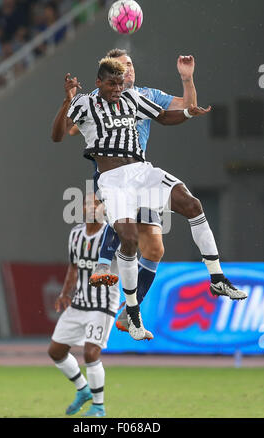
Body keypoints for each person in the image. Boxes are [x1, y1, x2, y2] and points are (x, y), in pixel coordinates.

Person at [52, 56, 211, 341]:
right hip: (111, 173)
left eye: (130, 66)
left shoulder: (147, 95)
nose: (127, 71)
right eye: (121, 67)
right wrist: (72, 103)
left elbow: (184, 107)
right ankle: (103, 264)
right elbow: (70, 129)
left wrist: (187, 78)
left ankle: (128, 310)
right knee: (120, 223)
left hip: (141, 174)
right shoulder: (95, 100)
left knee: (155, 249)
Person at [48, 193, 120, 418]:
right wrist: (64, 293)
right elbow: (74, 266)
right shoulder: (76, 234)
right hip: (79, 302)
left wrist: (131, 298)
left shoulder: (113, 236)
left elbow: (130, 266)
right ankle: (83, 389)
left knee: (91, 353)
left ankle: (99, 407)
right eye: (88, 203)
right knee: (56, 351)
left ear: (104, 209)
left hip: (103, 303)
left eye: (97, 203)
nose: (92, 207)